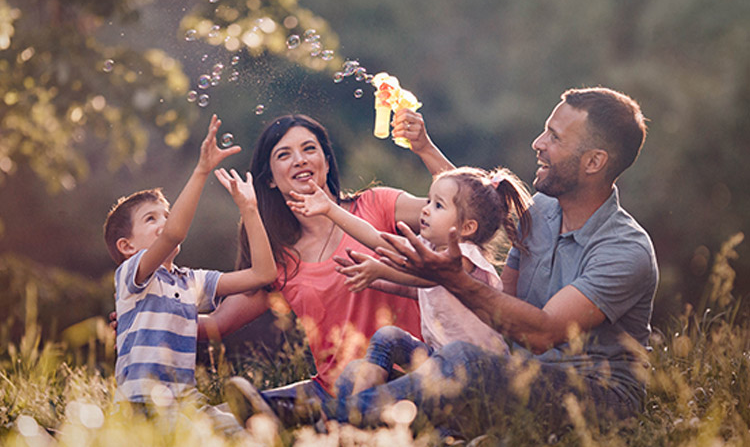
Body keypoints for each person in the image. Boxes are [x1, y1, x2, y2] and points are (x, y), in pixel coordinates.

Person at [229, 86, 659, 435]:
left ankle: (333, 421)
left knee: (462, 360)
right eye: (545, 131)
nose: (538, 144)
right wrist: (424, 147)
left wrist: (449, 278)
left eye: (555, 137)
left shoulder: (625, 251)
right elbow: (474, 213)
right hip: (519, 369)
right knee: (398, 340)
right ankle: (327, 410)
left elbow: (543, 333)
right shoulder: (544, 212)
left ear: (594, 162)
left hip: (594, 396)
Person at [207, 113, 451, 424]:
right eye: (284, 154)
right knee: (217, 419)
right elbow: (218, 323)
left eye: (309, 149)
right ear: (269, 178)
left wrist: (425, 148)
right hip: (332, 389)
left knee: (268, 419)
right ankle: (316, 419)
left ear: (325, 160)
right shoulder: (277, 259)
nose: (299, 160)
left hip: (407, 375)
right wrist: (152, 309)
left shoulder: (376, 205)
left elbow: (464, 209)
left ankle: (322, 422)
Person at [286, 165, 532, 396]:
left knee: (386, 370)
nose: (425, 209)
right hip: (439, 359)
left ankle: (356, 407)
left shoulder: (465, 257)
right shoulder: (428, 247)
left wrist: (381, 270)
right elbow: (379, 240)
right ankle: (363, 394)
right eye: (428, 201)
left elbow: (426, 278)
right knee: (387, 337)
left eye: (438, 206)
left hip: (478, 372)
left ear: (467, 228)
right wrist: (331, 210)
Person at [104, 115, 276, 417]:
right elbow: (174, 234)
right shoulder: (131, 274)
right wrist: (201, 171)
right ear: (126, 246)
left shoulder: (189, 281)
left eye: (166, 214)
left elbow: (263, 274)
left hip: (185, 404)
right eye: (151, 218)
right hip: (141, 405)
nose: (165, 223)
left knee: (239, 432)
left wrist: (249, 210)